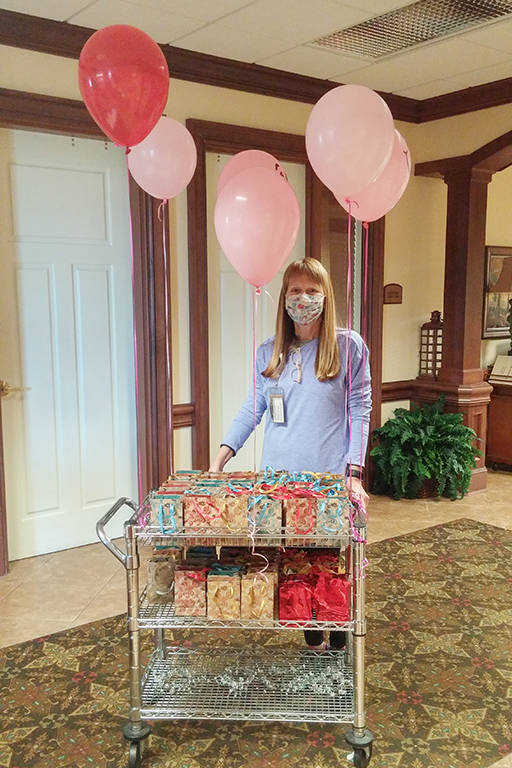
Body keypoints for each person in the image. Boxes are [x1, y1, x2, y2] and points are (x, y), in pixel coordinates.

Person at [210, 257, 372, 650]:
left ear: (326, 296)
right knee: (296, 564)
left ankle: (338, 641)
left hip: (327, 480)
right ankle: (312, 635)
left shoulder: (347, 346)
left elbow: (360, 408)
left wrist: (354, 471)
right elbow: (253, 408)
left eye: (312, 290)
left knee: (332, 565)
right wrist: (221, 457)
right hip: (280, 482)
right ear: (283, 298)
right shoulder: (269, 351)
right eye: (295, 290)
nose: (304, 298)